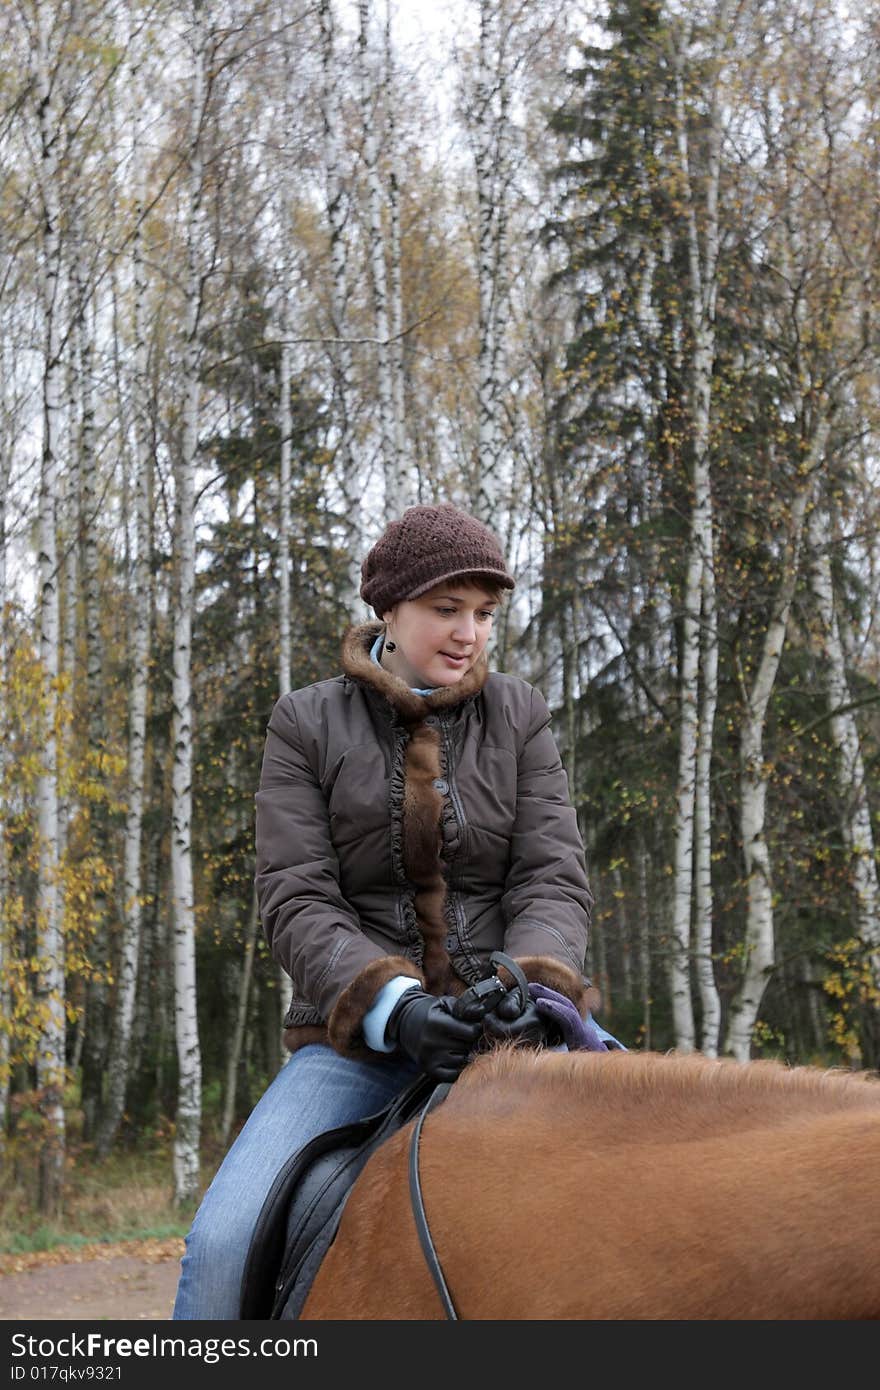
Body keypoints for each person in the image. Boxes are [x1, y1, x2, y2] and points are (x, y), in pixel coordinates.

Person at [172, 501, 610, 1321]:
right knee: (225, 1238)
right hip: (358, 1048)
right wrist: (395, 1008)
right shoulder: (305, 722)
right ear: (389, 609)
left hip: (518, 1028)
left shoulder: (521, 715)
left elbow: (552, 875)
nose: (468, 633)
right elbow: (296, 893)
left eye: (483, 614)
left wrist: (524, 981)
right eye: (446, 609)